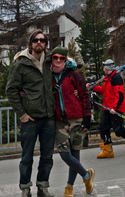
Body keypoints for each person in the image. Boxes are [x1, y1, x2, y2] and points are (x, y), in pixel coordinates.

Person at [6, 29, 55, 197]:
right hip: (30, 119)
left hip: (48, 117)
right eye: (36, 40)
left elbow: (68, 65)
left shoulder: (51, 61)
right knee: (26, 157)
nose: (39, 42)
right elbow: (11, 90)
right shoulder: (21, 64)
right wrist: (22, 114)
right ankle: (25, 189)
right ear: (31, 43)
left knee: (47, 157)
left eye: (42, 40)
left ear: (45, 43)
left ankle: (43, 188)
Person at [51, 45, 95, 196]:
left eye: (61, 58)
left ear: (65, 60)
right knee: (64, 154)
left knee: (75, 154)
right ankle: (87, 176)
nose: (57, 61)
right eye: (55, 57)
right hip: (60, 121)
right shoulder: (48, 76)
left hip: (77, 119)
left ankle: (69, 186)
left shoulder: (74, 75)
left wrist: (87, 116)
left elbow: (84, 95)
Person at [87, 59, 125, 159]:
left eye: (104, 67)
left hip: (115, 109)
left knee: (118, 130)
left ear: (106, 68)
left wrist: (114, 108)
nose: (103, 69)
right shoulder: (107, 79)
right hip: (107, 108)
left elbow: (119, 95)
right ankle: (107, 150)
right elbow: (103, 90)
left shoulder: (116, 78)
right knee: (103, 127)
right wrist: (93, 87)